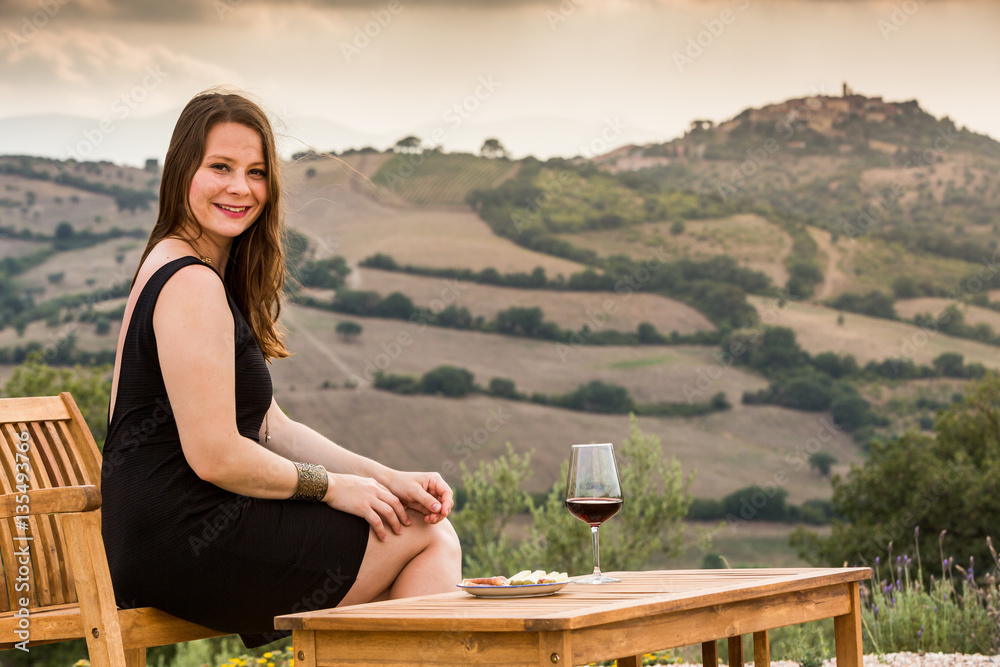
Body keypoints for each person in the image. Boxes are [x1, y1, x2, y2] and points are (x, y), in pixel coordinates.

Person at [101, 89, 462, 648]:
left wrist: (385, 479)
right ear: (182, 172)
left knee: (411, 526)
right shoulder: (191, 283)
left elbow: (272, 427)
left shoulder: (188, 267)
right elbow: (217, 454)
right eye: (220, 167)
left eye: (257, 172)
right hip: (182, 539)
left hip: (174, 534)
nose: (240, 188)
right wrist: (331, 489)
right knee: (425, 535)